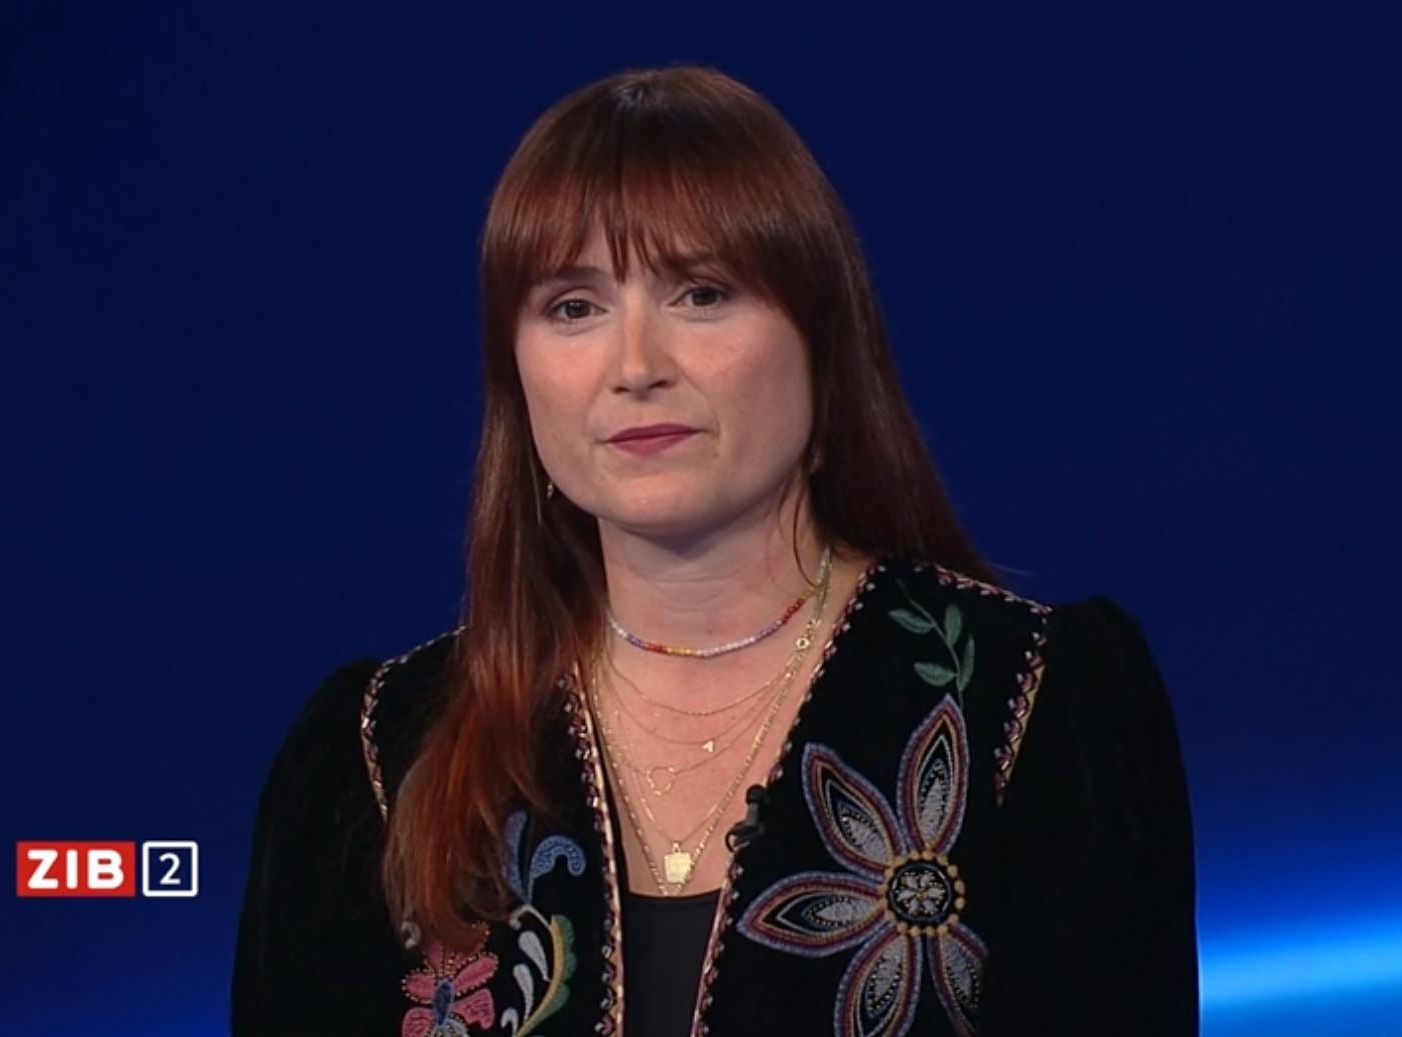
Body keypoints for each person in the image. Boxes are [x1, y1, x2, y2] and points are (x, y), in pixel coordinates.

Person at [231, 64, 1197, 1037]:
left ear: (820, 337)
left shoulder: (1030, 706)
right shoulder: (378, 754)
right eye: (573, 307)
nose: (635, 366)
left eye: (700, 293)